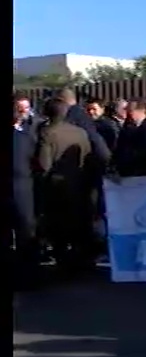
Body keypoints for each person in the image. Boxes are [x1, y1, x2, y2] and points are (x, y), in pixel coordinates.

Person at [34, 97, 95, 274]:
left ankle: (63, 264)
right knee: (79, 225)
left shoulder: (47, 132)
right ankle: (82, 261)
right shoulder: (80, 132)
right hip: (80, 184)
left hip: (56, 188)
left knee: (58, 227)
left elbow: (44, 164)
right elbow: (89, 158)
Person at [12, 94, 40, 287]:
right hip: (22, 191)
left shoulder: (26, 134)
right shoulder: (24, 138)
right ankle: (28, 276)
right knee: (25, 234)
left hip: (22, 189)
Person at [110, 98, 146, 178]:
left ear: (140, 111)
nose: (127, 113)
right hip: (128, 176)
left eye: (130, 110)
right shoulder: (126, 129)